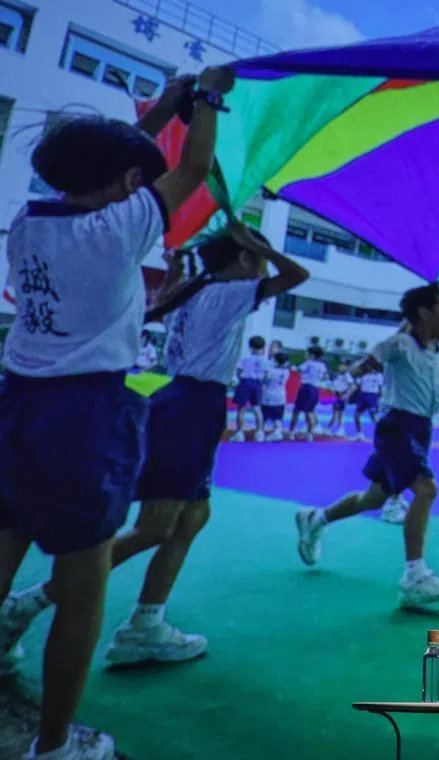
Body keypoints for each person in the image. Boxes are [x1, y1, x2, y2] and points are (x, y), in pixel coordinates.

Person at [0, 67, 232, 760]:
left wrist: (166, 106)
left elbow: (99, 158)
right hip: (86, 415)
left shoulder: (29, 221)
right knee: (83, 590)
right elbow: (193, 167)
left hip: (15, 403)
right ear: (130, 182)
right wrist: (211, 99)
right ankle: (52, 747)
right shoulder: (119, 230)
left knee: (4, 553)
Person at [0, 223, 309, 669]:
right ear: (244, 260)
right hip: (192, 407)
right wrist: (264, 251)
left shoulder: (195, 291)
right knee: (156, 528)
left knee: (193, 518)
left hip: (184, 402)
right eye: (257, 256)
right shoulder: (227, 292)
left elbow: (167, 300)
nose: (261, 262)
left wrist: (180, 269)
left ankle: (146, 623)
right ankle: (28, 604)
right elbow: (297, 277)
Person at [293, 284, 439, 608]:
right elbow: (365, 364)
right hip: (396, 428)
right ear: (425, 314)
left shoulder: (438, 354)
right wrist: (358, 369)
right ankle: (414, 577)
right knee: (426, 490)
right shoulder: (399, 344)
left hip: (421, 429)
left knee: (373, 497)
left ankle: (316, 519)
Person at [230, 335, 268, 442]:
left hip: (245, 382)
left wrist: (238, 381)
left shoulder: (245, 359)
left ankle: (239, 433)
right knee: (257, 408)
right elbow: (266, 375)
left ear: (250, 346)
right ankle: (260, 433)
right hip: (257, 383)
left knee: (241, 408)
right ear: (262, 347)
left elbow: (238, 372)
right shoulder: (265, 361)